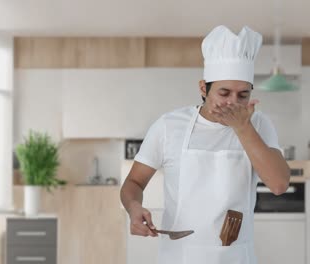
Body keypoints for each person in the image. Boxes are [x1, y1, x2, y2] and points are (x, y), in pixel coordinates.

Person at [120, 25, 290, 264]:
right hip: (180, 255)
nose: (233, 103)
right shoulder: (169, 126)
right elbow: (134, 182)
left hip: (235, 255)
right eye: (224, 93)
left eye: (243, 95)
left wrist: (242, 127)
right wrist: (133, 207)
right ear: (203, 88)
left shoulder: (259, 125)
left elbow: (279, 184)